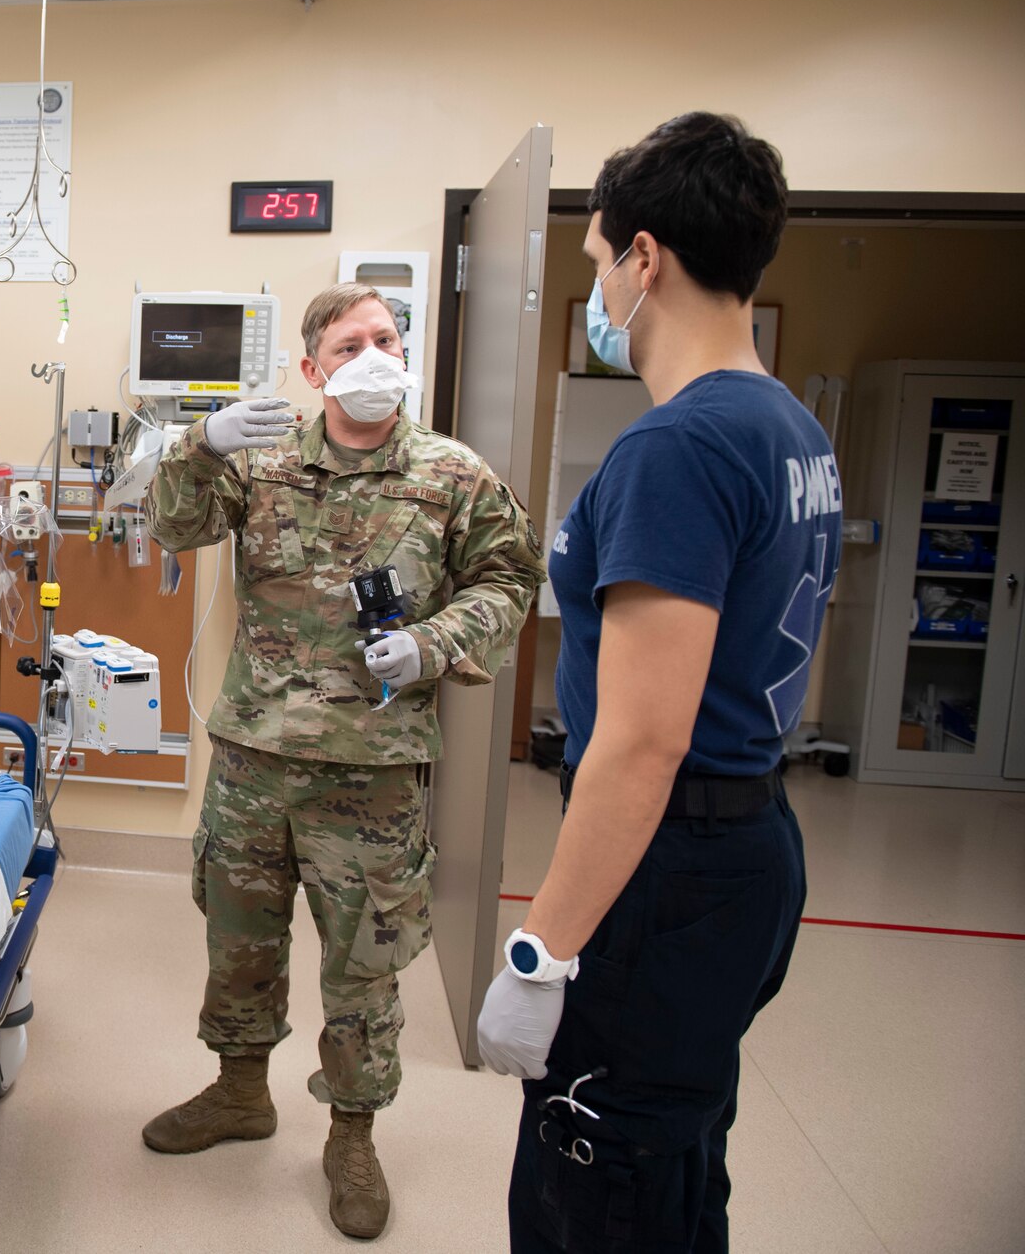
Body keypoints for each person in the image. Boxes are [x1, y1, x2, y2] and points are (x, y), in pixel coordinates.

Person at [476, 112, 829, 1253]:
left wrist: (541, 953)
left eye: (591, 264)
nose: (592, 293)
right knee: (674, 1154)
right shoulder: (785, 428)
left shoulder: (677, 447)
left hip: (665, 868)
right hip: (745, 844)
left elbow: (638, 744)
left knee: (597, 1173)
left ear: (644, 259)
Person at [142, 282, 545, 1239]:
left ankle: (353, 1135)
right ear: (314, 369)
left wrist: (436, 642)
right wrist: (199, 443)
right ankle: (242, 1092)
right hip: (254, 757)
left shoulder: (453, 475)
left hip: (374, 770)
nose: (376, 355)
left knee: (364, 969)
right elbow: (174, 526)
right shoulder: (263, 460)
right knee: (238, 944)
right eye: (352, 343)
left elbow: (512, 577)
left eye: (389, 337)